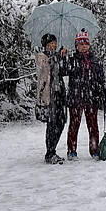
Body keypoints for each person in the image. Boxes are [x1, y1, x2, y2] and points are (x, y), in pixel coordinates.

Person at [66, 29, 106, 160]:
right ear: (76, 46)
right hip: (75, 97)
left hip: (91, 97)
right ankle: (72, 151)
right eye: (80, 44)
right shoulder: (71, 60)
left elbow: (101, 79)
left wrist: (101, 89)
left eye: (85, 43)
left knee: (93, 125)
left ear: (89, 45)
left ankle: (94, 150)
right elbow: (62, 71)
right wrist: (62, 56)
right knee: (74, 125)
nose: (83, 46)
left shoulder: (95, 61)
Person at [36, 33, 68, 164]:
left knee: (61, 122)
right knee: (52, 124)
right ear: (45, 45)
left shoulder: (56, 57)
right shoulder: (41, 57)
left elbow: (64, 71)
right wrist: (58, 55)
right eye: (51, 44)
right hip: (49, 95)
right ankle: (49, 153)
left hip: (59, 93)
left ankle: (53, 150)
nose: (53, 46)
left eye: (55, 43)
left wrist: (64, 58)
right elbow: (46, 69)